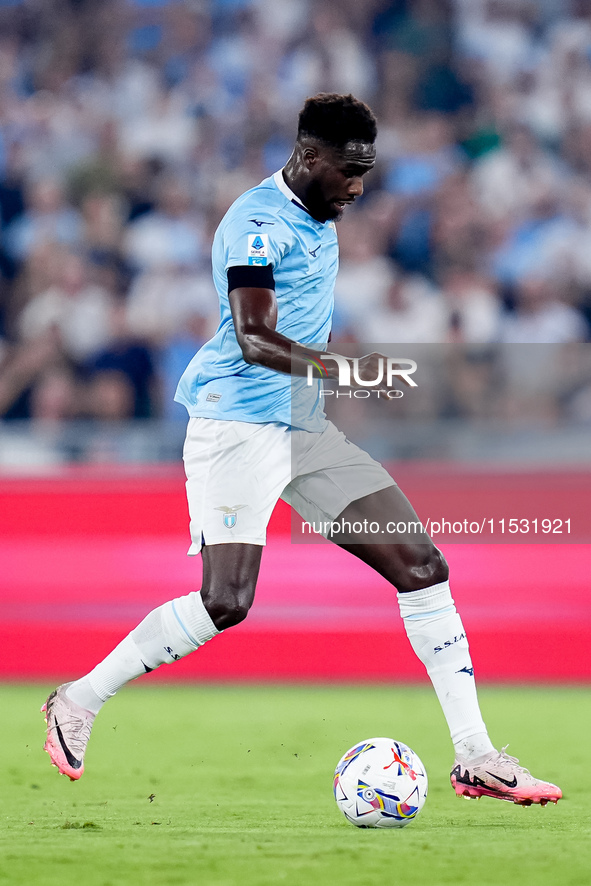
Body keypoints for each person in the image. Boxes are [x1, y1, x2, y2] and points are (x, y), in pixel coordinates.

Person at [42, 94, 561, 806]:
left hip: (303, 427)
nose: (356, 186)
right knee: (226, 603)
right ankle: (77, 698)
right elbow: (254, 340)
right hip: (237, 426)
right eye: (346, 171)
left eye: (366, 172)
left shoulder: (322, 211)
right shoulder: (256, 224)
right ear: (307, 157)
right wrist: (345, 370)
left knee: (422, 564)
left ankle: (475, 755)